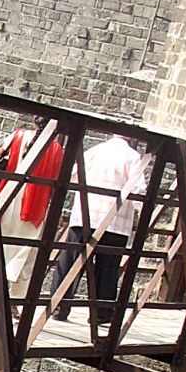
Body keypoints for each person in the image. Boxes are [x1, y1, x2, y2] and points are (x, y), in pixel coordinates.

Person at [49, 133, 147, 324]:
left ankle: (59, 307)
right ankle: (101, 314)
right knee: (107, 269)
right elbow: (138, 189)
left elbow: (73, 175)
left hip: (86, 215)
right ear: (131, 139)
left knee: (70, 262)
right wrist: (141, 211)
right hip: (115, 221)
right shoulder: (132, 156)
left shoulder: (94, 150)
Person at [0, 120, 65, 317]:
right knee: (25, 255)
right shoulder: (56, 149)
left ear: (35, 123)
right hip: (34, 205)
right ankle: (13, 302)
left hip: (8, 197)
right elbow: (57, 183)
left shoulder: (18, 136)